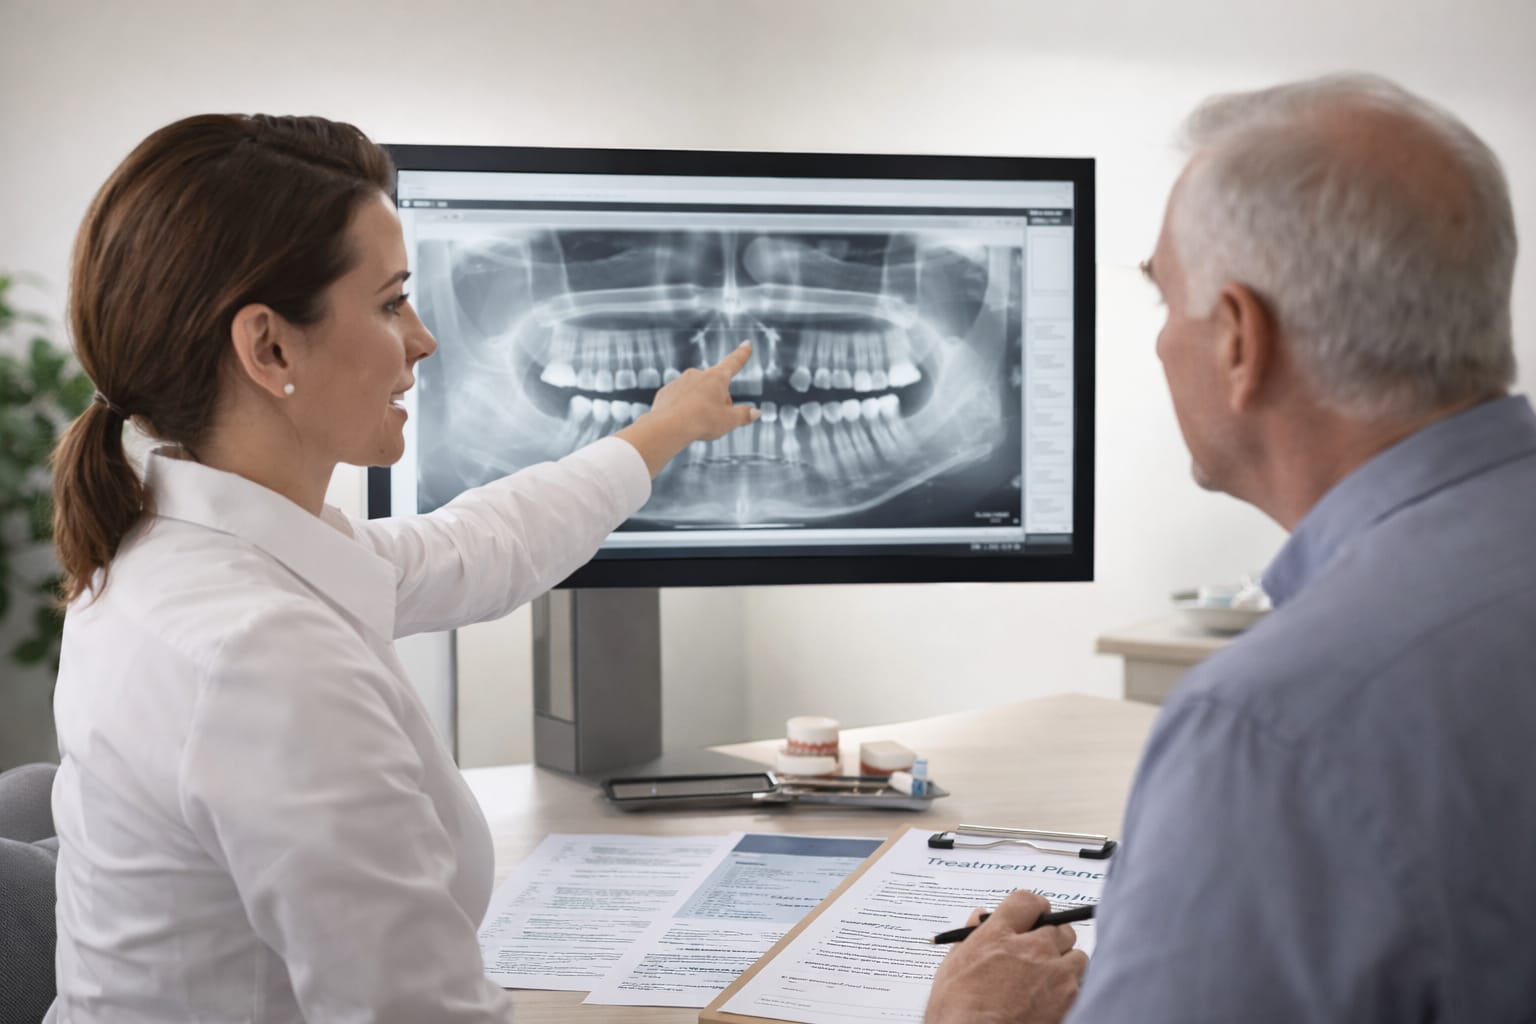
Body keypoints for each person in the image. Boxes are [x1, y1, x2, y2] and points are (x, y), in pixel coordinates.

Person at [46, 113, 758, 1022]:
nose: (422, 339)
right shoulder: (261, 655)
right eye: (390, 303)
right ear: (269, 348)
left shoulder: (168, 552)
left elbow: (475, 546)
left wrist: (662, 429)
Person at [926, 72, 1536, 1023]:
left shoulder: (1272, 728)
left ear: (1240, 342)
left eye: (1166, 302)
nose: (1164, 343)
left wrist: (971, 1019)